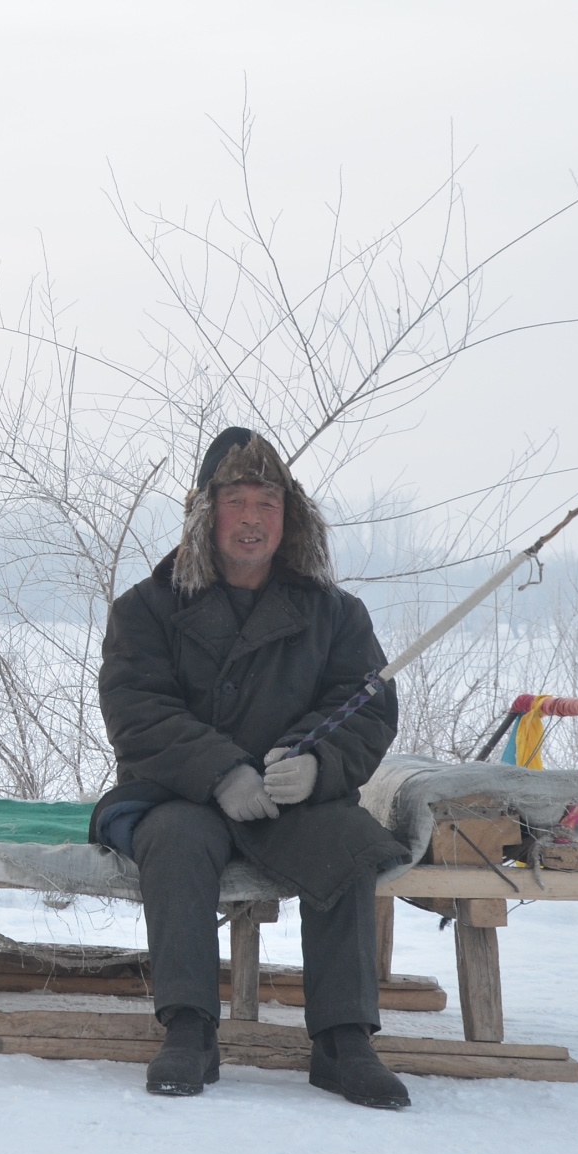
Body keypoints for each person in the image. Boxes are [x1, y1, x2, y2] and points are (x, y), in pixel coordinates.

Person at [90, 427, 413, 1109]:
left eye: (268, 504)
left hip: (289, 800)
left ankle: (343, 1040)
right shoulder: (144, 609)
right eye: (236, 502)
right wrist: (219, 772)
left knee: (348, 843)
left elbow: (364, 707)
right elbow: (136, 710)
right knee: (177, 842)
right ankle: (189, 1030)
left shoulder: (336, 615)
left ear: (289, 518)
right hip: (177, 793)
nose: (253, 520)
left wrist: (317, 763)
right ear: (207, 514)